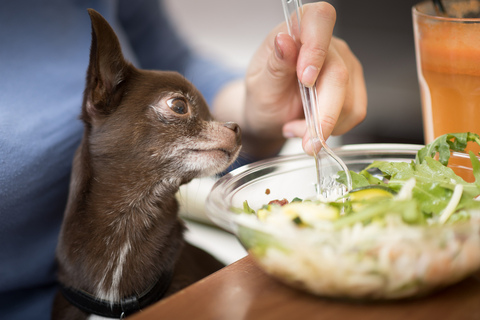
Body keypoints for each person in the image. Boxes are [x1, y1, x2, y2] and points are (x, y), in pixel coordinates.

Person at [0, 0, 366, 319]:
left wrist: (261, 107)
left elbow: (172, 61)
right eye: (177, 108)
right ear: (101, 91)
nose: (228, 129)